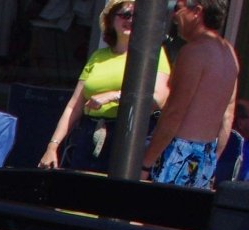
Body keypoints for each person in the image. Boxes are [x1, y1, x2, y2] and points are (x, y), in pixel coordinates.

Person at [38, 0, 170, 171]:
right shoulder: (98, 56)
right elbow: (74, 106)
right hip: (89, 133)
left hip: (127, 137)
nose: (130, 20)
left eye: (136, 16)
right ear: (111, 19)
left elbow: (158, 98)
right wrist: (52, 146)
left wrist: (114, 95)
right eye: (125, 14)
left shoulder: (153, 54)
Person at [140, 0, 238, 188]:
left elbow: (174, 112)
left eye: (178, 7)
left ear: (197, 12)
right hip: (206, 154)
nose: (173, 15)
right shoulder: (229, 54)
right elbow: (228, 115)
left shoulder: (194, 52)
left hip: (177, 153)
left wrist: (146, 164)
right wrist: (212, 160)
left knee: (151, 215)